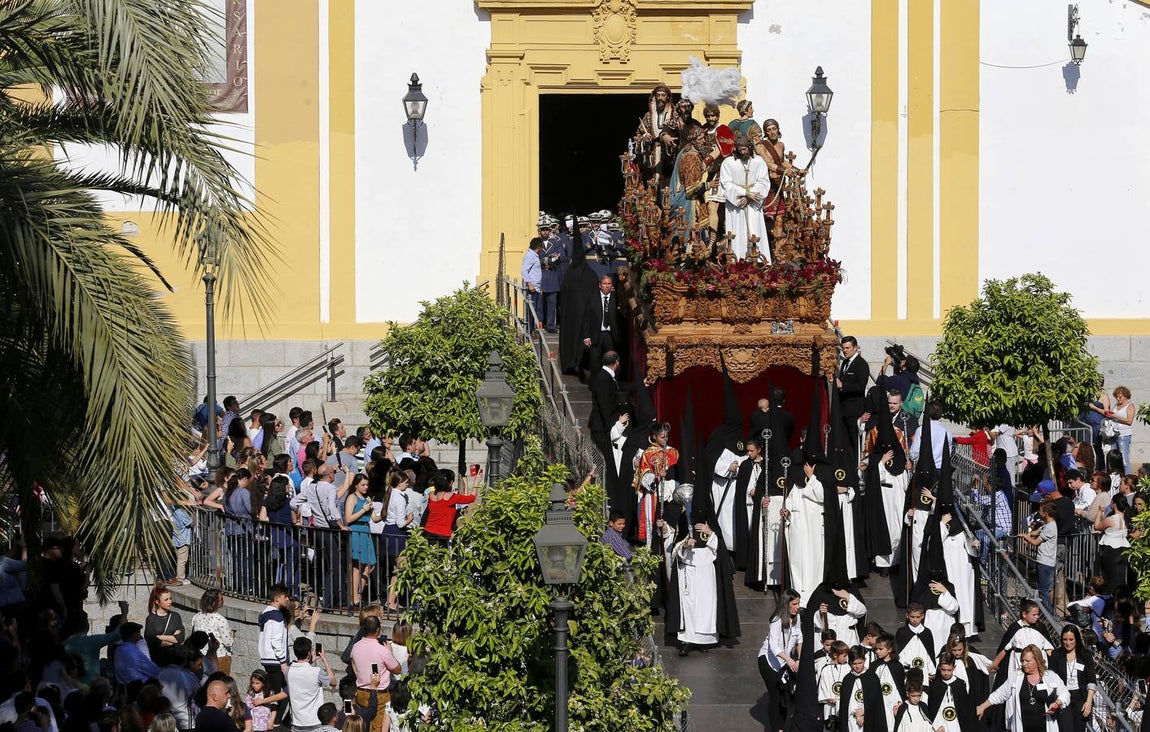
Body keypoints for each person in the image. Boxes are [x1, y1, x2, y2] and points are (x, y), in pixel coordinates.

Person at [976, 644, 1069, 732]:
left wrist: (1058, 702)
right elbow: (1000, 694)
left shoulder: (1051, 676)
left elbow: (1065, 694)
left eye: (1027, 661)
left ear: (1037, 661)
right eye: (1022, 660)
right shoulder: (1016, 677)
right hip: (1022, 727)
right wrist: (982, 706)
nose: (1024, 664)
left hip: (1045, 726)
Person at [756, 589, 802, 732]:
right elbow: (774, 647)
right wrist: (788, 659)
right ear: (786, 604)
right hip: (769, 662)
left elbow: (799, 639)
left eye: (798, 603)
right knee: (776, 695)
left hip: (785, 662)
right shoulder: (776, 621)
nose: (797, 607)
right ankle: (777, 728)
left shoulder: (797, 617)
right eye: (794, 604)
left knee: (786, 695)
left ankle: (782, 725)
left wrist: (799, 658)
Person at [718, 135, 769, 260]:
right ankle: (738, 260)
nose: (743, 152)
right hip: (737, 204)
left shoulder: (759, 161)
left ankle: (758, 260)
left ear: (750, 148)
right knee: (737, 231)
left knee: (755, 228)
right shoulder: (728, 163)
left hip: (753, 203)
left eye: (745, 149)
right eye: (740, 150)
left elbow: (763, 181)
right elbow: (726, 183)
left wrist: (751, 195)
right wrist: (744, 193)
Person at [349, 616, 401, 732]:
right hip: (379, 694)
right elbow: (397, 669)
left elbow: (354, 665)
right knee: (377, 727)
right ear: (378, 630)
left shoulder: (356, 646)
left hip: (361, 692)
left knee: (363, 726)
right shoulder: (382, 650)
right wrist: (390, 652)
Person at [1048, 624, 1096, 732]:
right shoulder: (1056, 655)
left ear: (1077, 639)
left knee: (1079, 728)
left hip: (1080, 697)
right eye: (1065, 639)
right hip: (1063, 696)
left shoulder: (1085, 655)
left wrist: (1088, 702)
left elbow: (1091, 680)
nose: (1067, 643)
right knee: (1066, 728)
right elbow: (1051, 677)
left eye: (1071, 639)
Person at [286, 637, 336, 732]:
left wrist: (310, 661)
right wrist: (324, 659)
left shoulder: (288, 671)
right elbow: (333, 682)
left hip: (296, 723)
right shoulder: (317, 672)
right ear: (309, 653)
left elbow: (301, 671)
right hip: (315, 723)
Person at [1017, 502, 1058, 612]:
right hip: (1043, 561)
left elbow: (1035, 542)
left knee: (1043, 590)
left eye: (1041, 510)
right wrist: (1028, 534)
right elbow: (1036, 533)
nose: (1039, 512)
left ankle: (1048, 614)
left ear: (1045, 513)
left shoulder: (1050, 528)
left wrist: (1026, 537)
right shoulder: (1047, 525)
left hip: (1045, 562)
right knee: (1043, 589)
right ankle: (1047, 612)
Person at [344, 473, 376, 610]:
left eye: (367, 485)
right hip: (356, 530)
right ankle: (355, 599)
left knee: (370, 565)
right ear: (356, 485)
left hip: (366, 531)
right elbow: (348, 518)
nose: (366, 487)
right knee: (357, 566)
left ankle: (358, 593)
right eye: (363, 485)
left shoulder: (367, 498)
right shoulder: (352, 498)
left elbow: (374, 518)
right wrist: (364, 509)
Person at [837, 645, 887, 731]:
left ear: (864, 660)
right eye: (854, 664)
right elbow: (845, 705)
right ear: (850, 663)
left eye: (860, 663)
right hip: (851, 722)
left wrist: (864, 711)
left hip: (869, 721)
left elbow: (876, 702)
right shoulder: (847, 679)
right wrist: (855, 712)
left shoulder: (872, 677)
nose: (857, 666)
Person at [581, 274, 622, 380]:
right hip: (596, 335)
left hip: (611, 335)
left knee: (611, 361)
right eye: (604, 284)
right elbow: (586, 318)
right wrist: (586, 336)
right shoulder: (592, 298)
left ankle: (611, 384)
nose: (607, 286)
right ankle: (595, 385)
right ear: (600, 285)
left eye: (609, 284)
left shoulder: (616, 298)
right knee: (595, 362)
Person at [422, 470, 477, 546]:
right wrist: (476, 482)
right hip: (443, 535)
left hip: (428, 532)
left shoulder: (431, 495)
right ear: (450, 483)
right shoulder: (451, 497)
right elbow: (471, 498)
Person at [836, 337, 869, 462]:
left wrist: (842, 386)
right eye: (843, 348)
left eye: (847, 348)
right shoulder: (845, 363)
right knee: (845, 442)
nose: (845, 351)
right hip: (843, 410)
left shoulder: (861, 364)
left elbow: (860, 387)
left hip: (854, 411)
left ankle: (856, 467)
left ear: (855, 348)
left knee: (854, 441)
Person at [191, 589, 234, 676]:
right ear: (214, 602)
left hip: (202, 657)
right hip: (219, 657)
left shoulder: (196, 617)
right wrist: (232, 635)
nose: (223, 601)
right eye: (221, 599)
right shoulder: (221, 620)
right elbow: (228, 642)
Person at [257, 584, 292, 692]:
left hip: (268, 659)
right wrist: (283, 661)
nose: (287, 599)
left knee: (274, 692)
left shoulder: (266, 613)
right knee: (279, 694)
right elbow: (276, 641)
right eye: (285, 596)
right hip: (275, 661)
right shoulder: (276, 616)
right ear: (277, 598)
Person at [1095, 492, 1131, 594]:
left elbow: (1097, 525)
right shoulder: (1127, 518)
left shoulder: (1111, 519)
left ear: (1114, 504)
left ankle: (1111, 600)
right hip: (1124, 549)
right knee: (1121, 578)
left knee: (1110, 577)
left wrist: (1099, 512)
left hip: (1112, 549)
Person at [144, 586, 185, 668]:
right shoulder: (151, 619)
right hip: (158, 661)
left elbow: (180, 637)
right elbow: (152, 641)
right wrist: (172, 639)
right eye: (166, 600)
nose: (170, 602)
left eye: (170, 598)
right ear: (157, 602)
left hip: (174, 660)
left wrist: (160, 637)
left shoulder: (175, 616)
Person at [1109, 386, 1135, 473]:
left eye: (1120, 397)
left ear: (1125, 396)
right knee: (1114, 459)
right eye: (1116, 396)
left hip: (1124, 435)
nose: (1117, 398)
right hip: (1114, 434)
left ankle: (1128, 478)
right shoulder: (1117, 405)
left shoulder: (1130, 405)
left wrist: (1116, 417)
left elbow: (1129, 421)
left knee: (1124, 459)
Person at [520, 238, 543, 322]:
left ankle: (533, 331)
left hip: (536, 287)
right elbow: (524, 271)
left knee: (535, 310)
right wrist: (530, 284)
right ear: (539, 247)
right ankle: (530, 331)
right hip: (532, 288)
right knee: (531, 311)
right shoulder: (530, 256)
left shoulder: (533, 256)